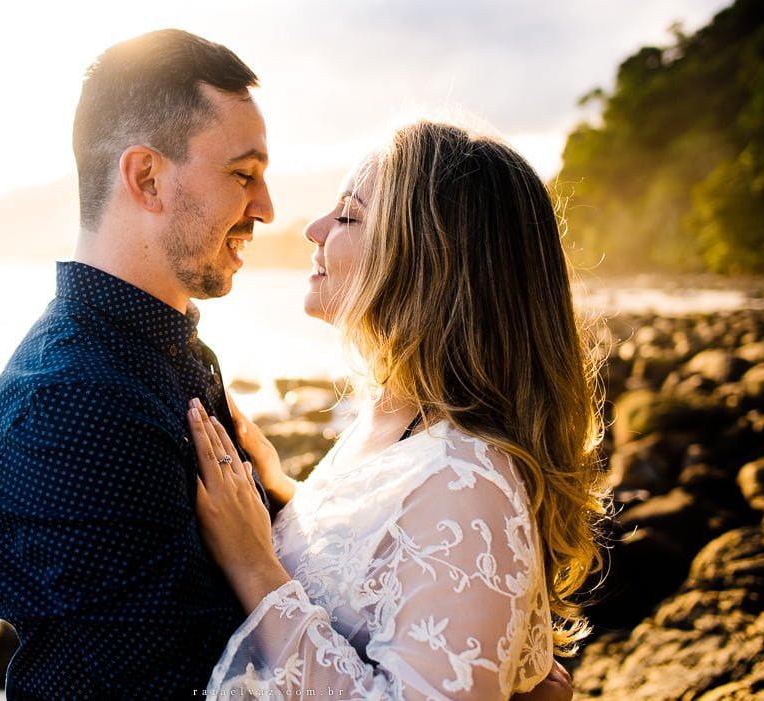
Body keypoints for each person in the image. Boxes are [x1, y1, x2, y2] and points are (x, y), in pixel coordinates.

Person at [189, 121, 608, 699]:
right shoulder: (394, 420)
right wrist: (289, 499)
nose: (312, 229)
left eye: (347, 217)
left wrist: (254, 565)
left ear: (428, 262)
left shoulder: (467, 480)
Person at [0, 29, 274, 698]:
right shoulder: (71, 405)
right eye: (243, 174)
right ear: (148, 178)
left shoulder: (165, 352)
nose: (266, 208)